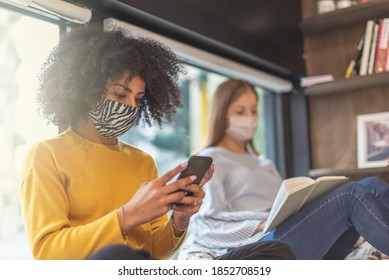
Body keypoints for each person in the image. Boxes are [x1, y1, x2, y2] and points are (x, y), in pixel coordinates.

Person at [20, 26, 295, 260]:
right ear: (88, 91)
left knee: (275, 251)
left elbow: (156, 251)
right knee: (116, 255)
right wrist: (127, 216)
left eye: (138, 100)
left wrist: (180, 220)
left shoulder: (142, 162)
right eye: (120, 93)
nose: (130, 106)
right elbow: (47, 252)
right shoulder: (46, 155)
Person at [177, 78, 389, 260]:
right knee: (351, 195)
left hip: (291, 233)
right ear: (221, 114)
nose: (249, 118)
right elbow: (205, 227)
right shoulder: (214, 159)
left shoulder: (264, 163)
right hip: (264, 243)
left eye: (253, 111)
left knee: (373, 184)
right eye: (240, 111)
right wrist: (261, 224)